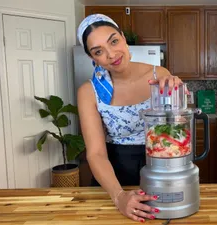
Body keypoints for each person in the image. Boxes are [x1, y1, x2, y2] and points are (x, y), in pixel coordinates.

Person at [76, 14, 187, 223]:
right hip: (114, 176)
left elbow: (173, 132)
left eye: (114, 41)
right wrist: (118, 197)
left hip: (159, 168)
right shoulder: (89, 91)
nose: (111, 54)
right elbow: (96, 153)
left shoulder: (158, 75)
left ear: (124, 39)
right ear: (93, 59)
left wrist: (176, 95)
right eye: (99, 51)